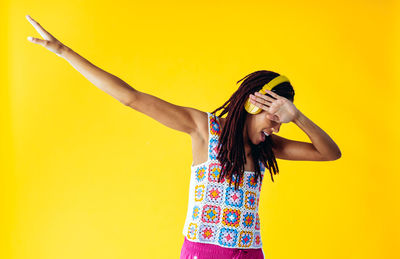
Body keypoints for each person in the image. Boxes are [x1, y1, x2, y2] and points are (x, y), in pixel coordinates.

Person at [26, 14, 342, 259]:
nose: (276, 128)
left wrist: (297, 116)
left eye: (281, 122)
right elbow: (130, 97)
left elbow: (330, 153)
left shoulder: (268, 149)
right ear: (251, 103)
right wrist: (63, 51)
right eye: (274, 119)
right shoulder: (205, 129)